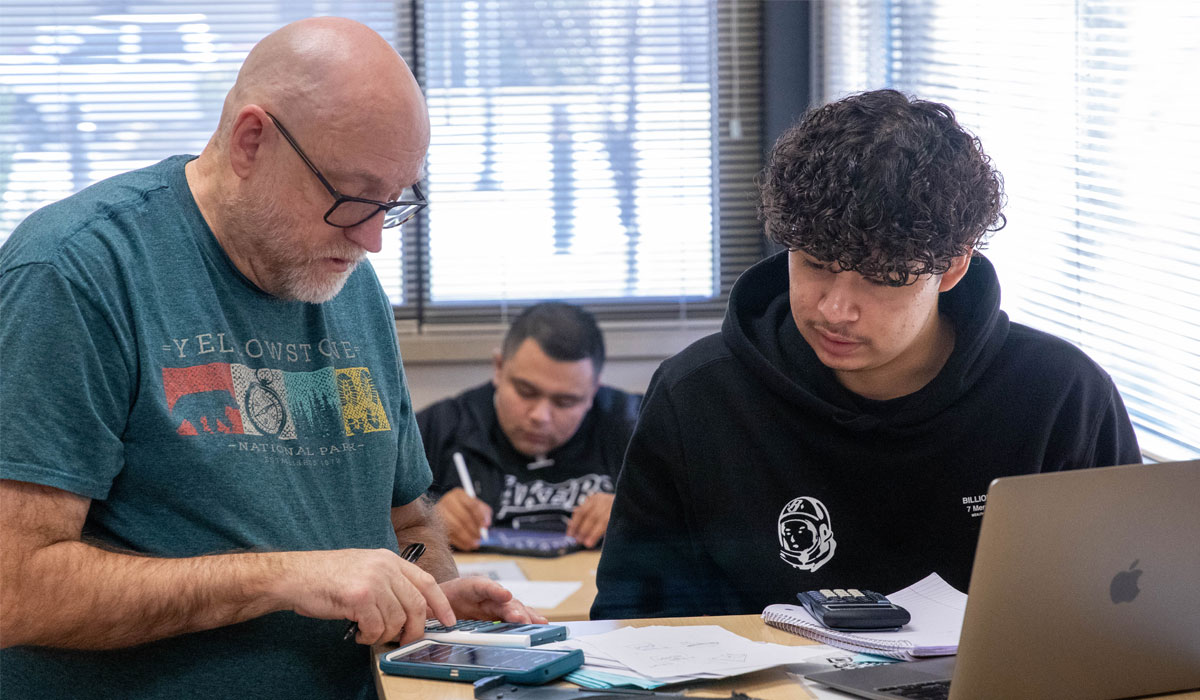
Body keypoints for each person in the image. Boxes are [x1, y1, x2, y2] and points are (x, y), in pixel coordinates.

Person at [0, 18, 544, 700]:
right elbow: (15, 589)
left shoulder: (347, 282)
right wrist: (280, 578)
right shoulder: (76, 273)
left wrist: (433, 603)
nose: (373, 238)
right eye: (350, 197)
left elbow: (406, 520)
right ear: (251, 140)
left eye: (393, 201)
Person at [590, 89, 1140, 620]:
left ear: (951, 267)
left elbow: (1126, 614)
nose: (835, 309)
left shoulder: (1060, 395)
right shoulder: (698, 396)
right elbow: (634, 627)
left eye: (879, 279)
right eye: (816, 264)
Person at [418, 302, 641, 551]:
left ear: (592, 392)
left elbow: (685, 521)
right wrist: (425, 519)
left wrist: (636, 510)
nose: (540, 416)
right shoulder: (439, 429)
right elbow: (379, 523)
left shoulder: (636, 426)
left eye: (565, 402)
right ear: (499, 368)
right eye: (526, 392)